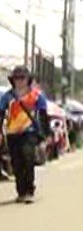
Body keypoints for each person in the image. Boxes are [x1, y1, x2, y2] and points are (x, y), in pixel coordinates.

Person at [0, 66, 52, 204]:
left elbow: (43, 116)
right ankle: (21, 191)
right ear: (13, 80)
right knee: (16, 163)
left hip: (29, 132)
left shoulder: (37, 96)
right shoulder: (8, 96)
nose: (20, 81)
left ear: (28, 79)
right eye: (17, 78)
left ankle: (30, 190)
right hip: (12, 133)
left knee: (28, 157)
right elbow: (1, 114)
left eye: (23, 78)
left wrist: (47, 133)